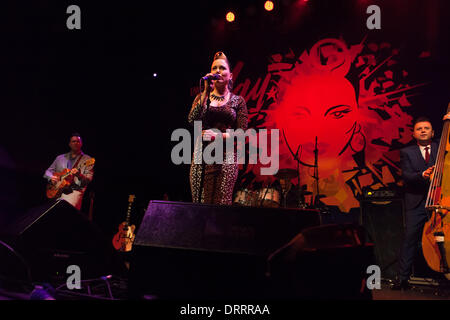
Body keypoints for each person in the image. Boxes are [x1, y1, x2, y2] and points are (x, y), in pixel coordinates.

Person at [393, 114, 450, 290]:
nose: (423, 131)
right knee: (410, 239)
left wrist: (448, 121)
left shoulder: (441, 148)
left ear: (433, 132)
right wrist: (422, 175)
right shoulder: (406, 152)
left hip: (439, 200)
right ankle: (402, 279)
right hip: (416, 203)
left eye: (426, 128)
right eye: (419, 129)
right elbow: (407, 175)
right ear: (413, 134)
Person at [188, 51, 248, 205]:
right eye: (214, 68)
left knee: (221, 206)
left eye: (222, 68)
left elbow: (242, 133)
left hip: (226, 158)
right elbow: (192, 119)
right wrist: (205, 92)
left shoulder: (237, 101)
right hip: (202, 155)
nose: (217, 71)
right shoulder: (202, 97)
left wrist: (218, 136)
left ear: (231, 75)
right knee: (200, 204)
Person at [43, 133, 94, 210]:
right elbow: (47, 172)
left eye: (78, 141)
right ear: (69, 144)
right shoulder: (60, 158)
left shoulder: (87, 159)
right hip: (57, 191)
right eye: (73, 141)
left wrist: (78, 174)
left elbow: (88, 180)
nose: (76, 143)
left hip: (74, 192)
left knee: (67, 217)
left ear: (81, 144)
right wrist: (51, 177)